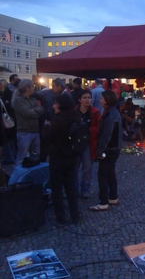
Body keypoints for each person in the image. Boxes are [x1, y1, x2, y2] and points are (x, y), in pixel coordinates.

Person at [48, 94, 81, 224]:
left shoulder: (59, 119)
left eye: (55, 103)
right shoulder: (76, 117)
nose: (53, 106)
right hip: (72, 156)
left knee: (56, 186)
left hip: (58, 156)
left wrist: (46, 128)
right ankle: (75, 214)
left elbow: (50, 136)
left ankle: (60, 216)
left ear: (61, 105)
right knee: (70, 185)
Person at [90, 90, 122, 211]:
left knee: (102, 174)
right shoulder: (113, 112)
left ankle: (103, 201)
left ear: (107, 100)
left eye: (102, 98)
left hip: (109, 149)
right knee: (110, 172)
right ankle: (113, 197)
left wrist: (100, 150)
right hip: (114, 148)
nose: (100, 100)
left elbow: (107, 134)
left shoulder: (110, 115)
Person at [74, 90, 101, 199]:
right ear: (80, 99)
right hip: (75, 143)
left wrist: (88, 130)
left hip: (88, 143)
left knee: (87, 168)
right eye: (84, 97)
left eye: (89, 97)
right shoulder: (74, 111)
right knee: (74, 168)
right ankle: (74, 189)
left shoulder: (95, 112)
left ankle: (85, 189)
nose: (87, 100)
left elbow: (99, 127)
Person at [12, 79, 45, 166]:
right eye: (32, 86)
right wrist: (35, 112)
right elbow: (27, 113)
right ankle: (18, 178)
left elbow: (42, 110)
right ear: (27, 88)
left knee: (36, 157)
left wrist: (34, 111)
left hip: (35, 131)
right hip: (24, 132)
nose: (34, 88)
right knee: (21, 156)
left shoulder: (33, 100)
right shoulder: (18, 100)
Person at [0, 79, 17, 165]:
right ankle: (11, 157)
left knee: (7, 141)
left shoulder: (6, 95)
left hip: (5, 122)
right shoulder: (8, 94)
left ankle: (10, 158)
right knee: (10, 141)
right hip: (8, 121)